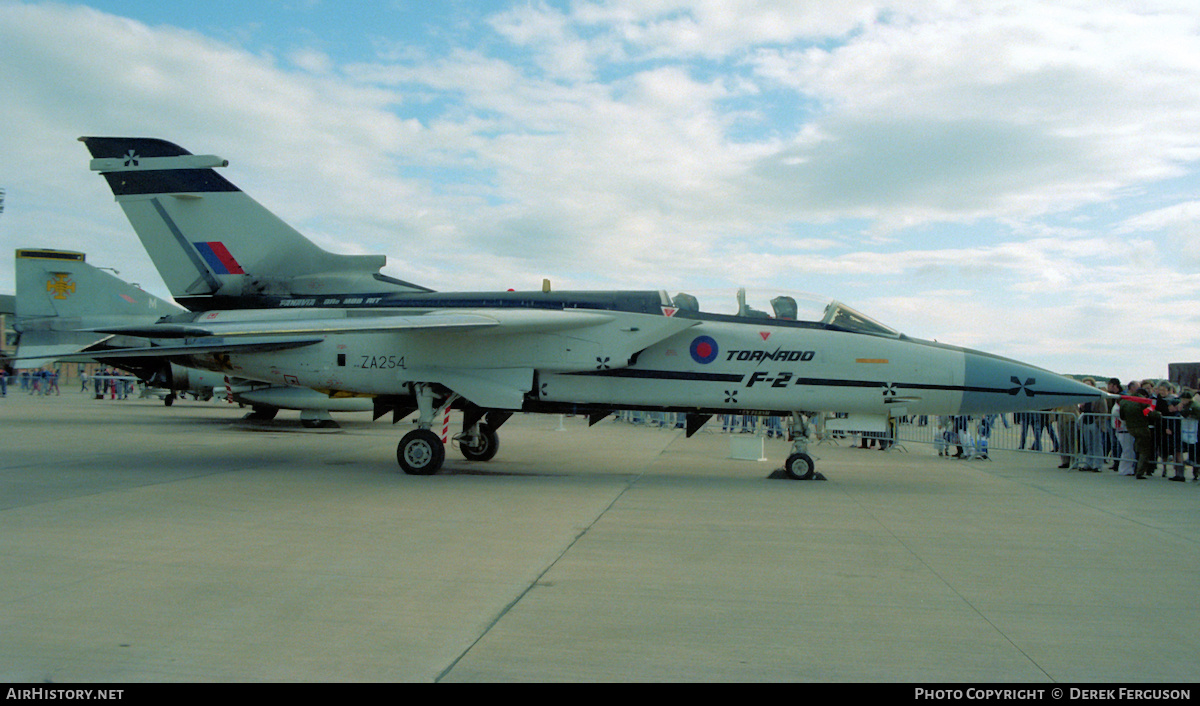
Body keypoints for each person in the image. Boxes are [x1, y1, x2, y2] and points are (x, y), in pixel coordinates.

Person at [1119, 389, 1161, 480]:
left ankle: (1135, 468)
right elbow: (1149, 413)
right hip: (1142, 427)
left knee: (1136, 448)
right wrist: (1158, 414)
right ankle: (1140, 472)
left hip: (1130, 428)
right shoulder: (1142, 402)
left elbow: (1122, 416)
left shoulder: (1125, 401)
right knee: (1144, 451)